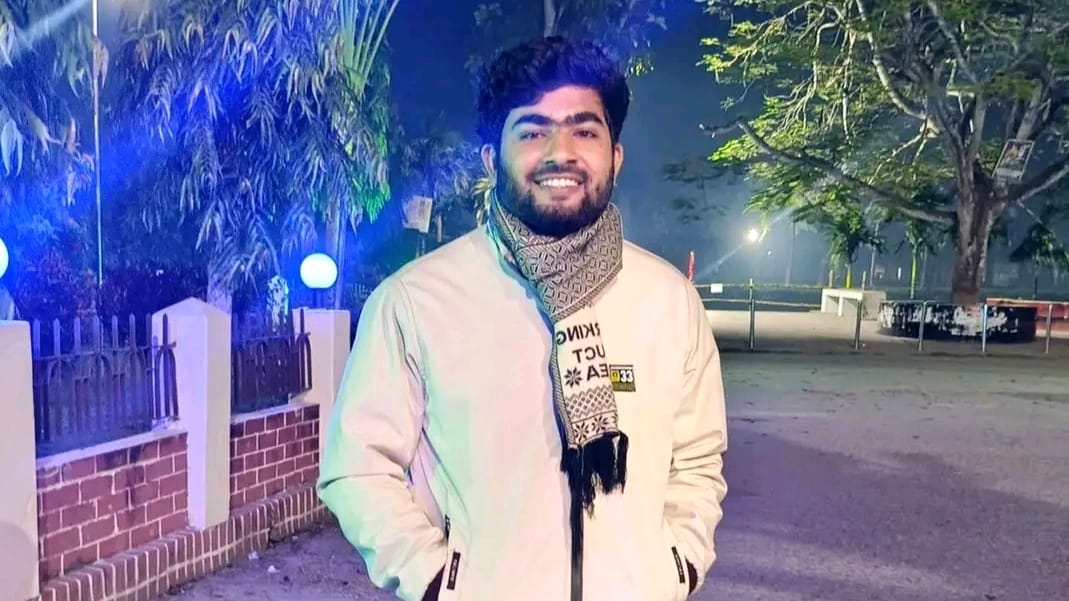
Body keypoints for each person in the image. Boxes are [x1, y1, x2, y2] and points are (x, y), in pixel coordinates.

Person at [317, 36, 729, 601]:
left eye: (585, 131)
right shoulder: (416, 302)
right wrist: (436, 582)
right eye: (533, 132)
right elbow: (358, 468)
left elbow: (698, 460)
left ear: (616, 156)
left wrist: (675, 567)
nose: (561, 152)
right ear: (492, 159)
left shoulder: (668, 302)